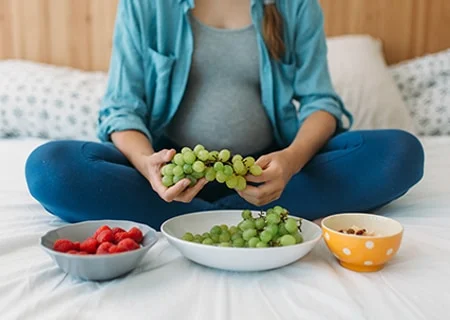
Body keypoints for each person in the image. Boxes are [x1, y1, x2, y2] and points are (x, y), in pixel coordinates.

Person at [25, 0, 424, 230]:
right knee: (50, 167)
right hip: (169, 172)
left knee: (400, 153)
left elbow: (321, 103)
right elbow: (122, 109)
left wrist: (290, 161)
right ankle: (235, 217)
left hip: (270, 171)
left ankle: (187, 221)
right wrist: (148, 165)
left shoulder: (294, 5)